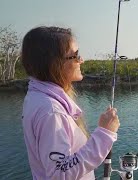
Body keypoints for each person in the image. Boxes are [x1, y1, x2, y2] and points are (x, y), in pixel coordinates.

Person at [21, 26, 120, 179]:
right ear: (54, 63)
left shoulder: (37, 96)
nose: (81, 60)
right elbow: (60, 173)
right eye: (75, 55)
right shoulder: (51, 112)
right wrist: (104, 134)